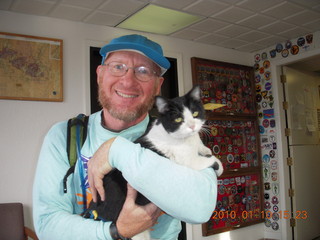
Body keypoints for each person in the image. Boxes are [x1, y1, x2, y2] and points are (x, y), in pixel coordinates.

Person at [33, 34, 218, 240]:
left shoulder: (181, 132)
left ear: (158, 85)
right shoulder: (64, 136)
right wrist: (115, 231)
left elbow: (201, 208)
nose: (128, 81)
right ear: (100, 75)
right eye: (118, 67)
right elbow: (47, 226)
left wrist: (116, 150)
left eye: (143, 71)